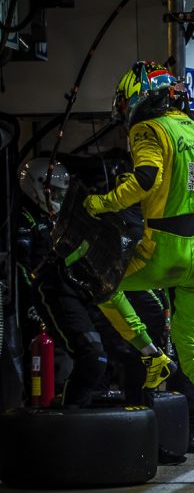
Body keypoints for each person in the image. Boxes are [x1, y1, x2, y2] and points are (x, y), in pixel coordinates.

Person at [84, 60, 194, 478]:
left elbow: (145, 179)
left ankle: (149, 354)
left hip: (165, 248)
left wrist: (99, 203)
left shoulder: (148, 130)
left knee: (101, 283)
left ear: (138, 95)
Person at [15, 158, 110, 407]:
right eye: (54, 192)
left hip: (65, 296)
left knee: (83, 354)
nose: (58, 197)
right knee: (37, 359)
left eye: (61, 193)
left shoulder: (59, 218)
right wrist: (31, 300)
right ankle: (41, 405)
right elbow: (21, 266)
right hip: (35, 302)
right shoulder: (24, 220)